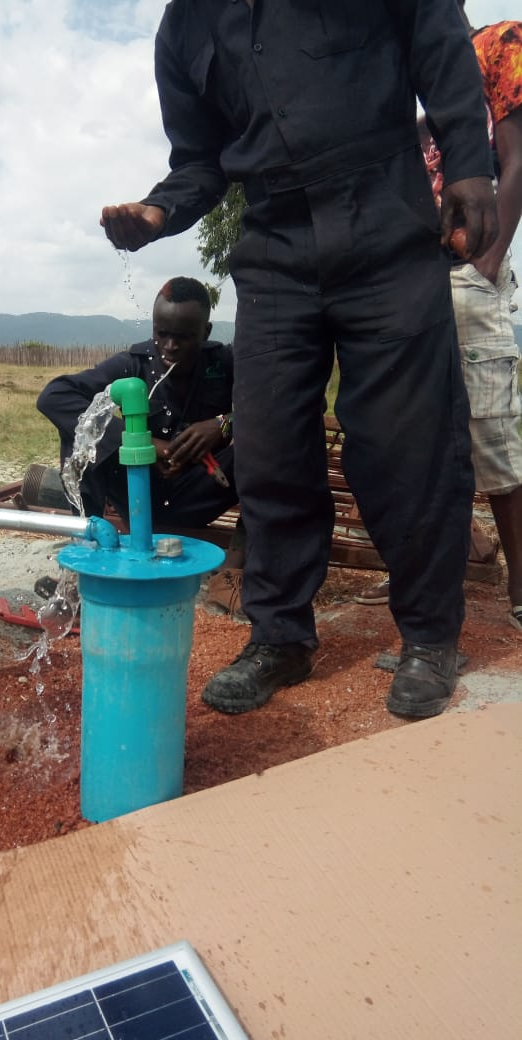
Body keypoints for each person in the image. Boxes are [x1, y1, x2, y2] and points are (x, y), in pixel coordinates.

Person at [100, 0, 498, 720]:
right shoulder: (184, 27)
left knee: (406, 445)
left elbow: (436, 36)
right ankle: (280, 636)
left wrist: (471, 162)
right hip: (275, 244)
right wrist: (159, 212)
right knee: (270, 443)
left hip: (386, 215)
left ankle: (431, 638)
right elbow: (199, 160)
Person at [357, 5, 522, 633]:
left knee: (492, 428)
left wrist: (486, 257)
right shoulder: (407, 69)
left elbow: (516, 155)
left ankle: (519, 586)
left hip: (464, 269)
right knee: (411, 438)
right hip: (406, 276)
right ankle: (416, 576)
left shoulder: (498, 43)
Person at [37, 276, 245, 599]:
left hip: (200, 492)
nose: (170, 346)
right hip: (138, 494)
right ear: (153, 327)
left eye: (183, 337)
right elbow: (54, 396)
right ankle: (84, 563)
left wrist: (224, 423)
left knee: (264, 447)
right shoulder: (134, 366)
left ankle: (236, 571)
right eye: (162, 334)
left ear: (205, 332)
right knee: (82, 434)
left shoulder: (224, 363)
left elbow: (280, 407)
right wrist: (142, 445)